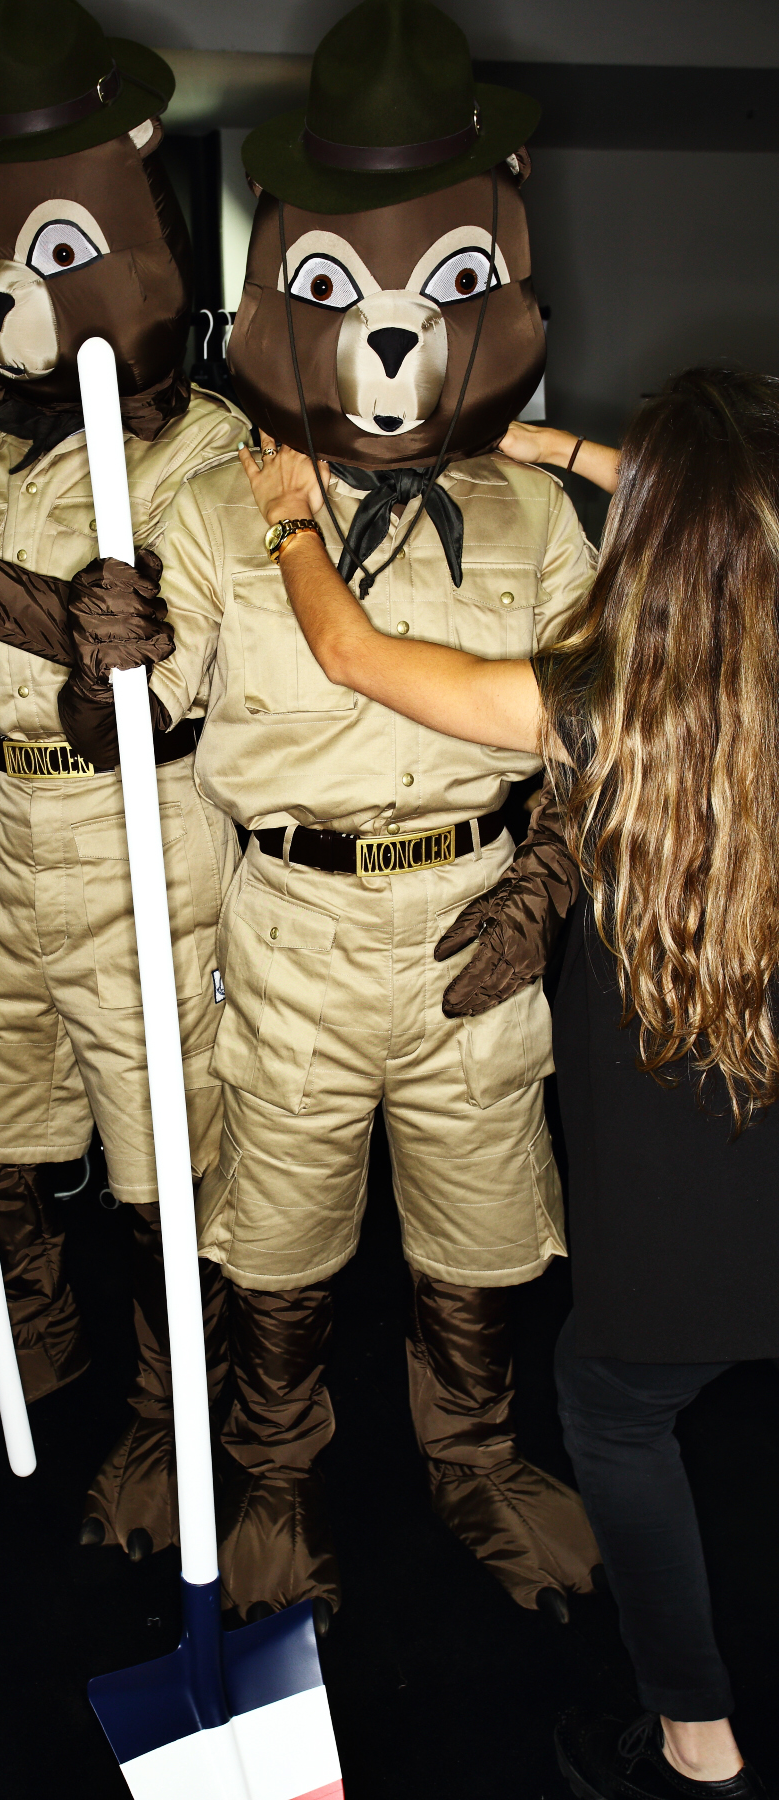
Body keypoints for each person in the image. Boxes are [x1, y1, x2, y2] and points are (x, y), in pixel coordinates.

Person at [56, 0, 600, 1630]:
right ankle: (278, 1480)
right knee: (278, 1242)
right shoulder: (216, 520)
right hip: (287, 936)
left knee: (486, 1231)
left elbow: (596, 746)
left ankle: (477, 1461)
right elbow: (137, 727)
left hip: (475, 929)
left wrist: (547, 890)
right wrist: (102, 664)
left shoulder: (540, 516)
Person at [240, 366, 774, 1798]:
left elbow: (352, 658)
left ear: (650, 538)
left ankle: (698, 1742)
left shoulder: (601, 709)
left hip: (686, 1189)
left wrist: (294, 520)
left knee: (612, 1408)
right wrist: (554, 445)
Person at [0, 0, 246, 1540]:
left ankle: (170, 1409)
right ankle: (34, 1329)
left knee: (165, 1153)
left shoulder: (201, 453)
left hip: (141, 831)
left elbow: (130, 669)